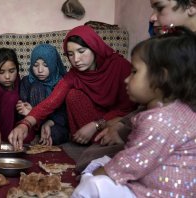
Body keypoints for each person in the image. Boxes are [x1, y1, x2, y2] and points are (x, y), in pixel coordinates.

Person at [71, 26, 196, 198]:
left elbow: (128, 164)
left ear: (162, 77)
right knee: (97, 162)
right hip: (150, 178)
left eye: (134, 72)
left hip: (155, 193)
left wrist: (99, 175)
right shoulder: (175, 109)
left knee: (94, 185)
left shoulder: (161, 120)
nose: (127, 79)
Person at [9, 25, 135, 150]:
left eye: (81, 51)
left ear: (94, 47)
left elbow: (127, 110)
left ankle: (99, 142)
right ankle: (95, 142)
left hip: (116, 120)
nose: (76, 59)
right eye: (70, 54)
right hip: (88, 121)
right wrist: (25, 124)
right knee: (73, 95)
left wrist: (96, 125)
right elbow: (50, 103)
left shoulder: (120, 66)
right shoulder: (74, 74)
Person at [16, 44, 68, 145]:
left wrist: (48, 122)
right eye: (35, 65)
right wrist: (23, 109)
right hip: (31, 124)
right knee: (37, 86)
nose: (40, 70)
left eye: (46, 65)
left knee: (54, 135)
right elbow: (22, 109)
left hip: (54, 123)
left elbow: (65, 114)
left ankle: (40, 136)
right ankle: (35, 135)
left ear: (53, 64)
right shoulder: (27, 81)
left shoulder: (61, 83)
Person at [0, 48, 33, 149]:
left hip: (15, 124)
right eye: (1, 72)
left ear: (17, 70)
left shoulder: (19, 81)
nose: (7, 76)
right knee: (10, 97)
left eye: (11, 71)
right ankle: (6, 140)